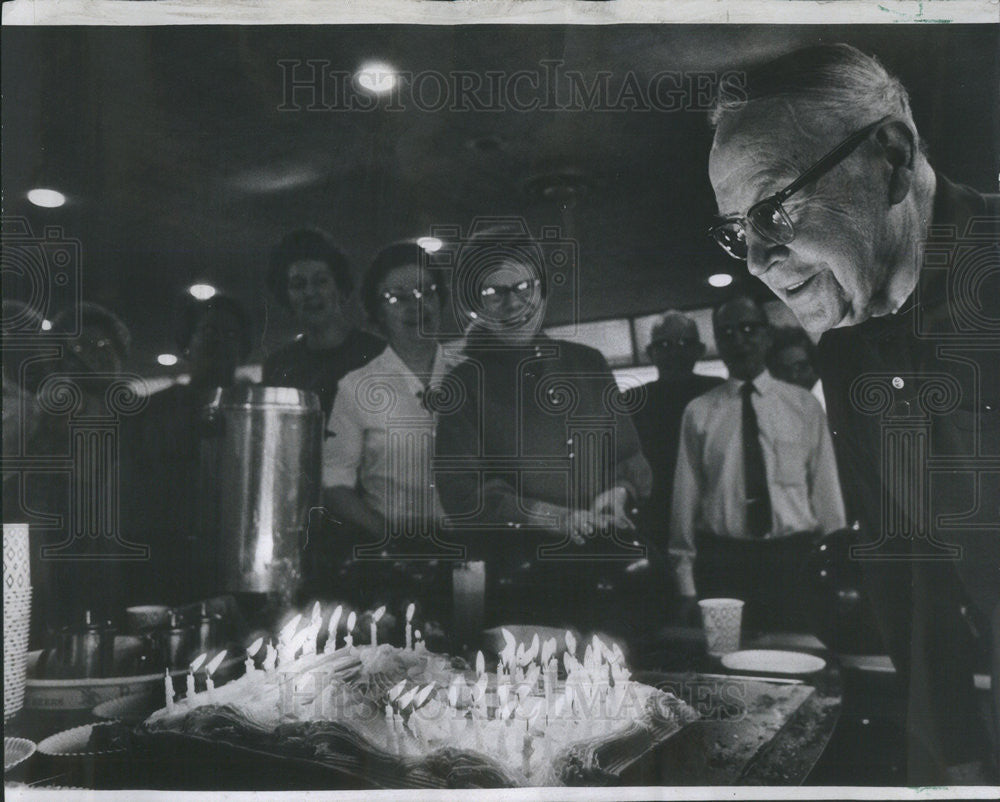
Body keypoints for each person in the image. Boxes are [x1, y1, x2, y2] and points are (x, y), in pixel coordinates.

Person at [706, 42, 999, 782]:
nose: (757, 260)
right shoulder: (846, 341)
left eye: (774, 207)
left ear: (891, 158)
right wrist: (952, 755)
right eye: (739, 229)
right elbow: (906, 570)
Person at [434, 229, 652, 636]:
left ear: (542, 291)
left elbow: (629, 458)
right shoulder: (462, 383)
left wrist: (620, 490)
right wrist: (553, 516)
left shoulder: (589, 363)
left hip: (604, 571)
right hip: (516, 581)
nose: (512, 302)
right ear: (473, 306)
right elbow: (461, 494)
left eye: (522, 286)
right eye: (492, 292)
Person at [668, 296, 845, 630]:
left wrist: (835, 567)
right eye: (728, 332)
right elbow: (684, 502)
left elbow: (827, 494)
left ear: (767, 336)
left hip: (793, 561)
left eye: (749, 329)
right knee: (727, 665)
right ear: (717, 343)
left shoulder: (804, 407)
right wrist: (685, 584)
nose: (739, 340)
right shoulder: (699, 412)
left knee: (798, 658)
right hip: (723, 564)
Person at [316, 242, 457, 609]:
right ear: (376, 313)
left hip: (470, 548)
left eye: (426, 291)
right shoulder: (357, 386)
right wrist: (389, 534)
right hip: (394, 559)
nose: (417, 306)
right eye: (397, 298)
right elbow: (334, 481)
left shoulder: (471, 375)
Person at [120, 294, 253, 605]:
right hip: (165, 562)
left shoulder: (254, 411)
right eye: (208, 331)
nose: (219, 341)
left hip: (236, 559)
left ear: (244, 349)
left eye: (230, 334)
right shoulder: (152, 410)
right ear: (187, 342)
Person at [262, 229, 384, 417]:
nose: (310, 293)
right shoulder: (278, 366)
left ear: (340, 287)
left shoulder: (377, 354)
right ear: (286, 296)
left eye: (320, 281)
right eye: (298, 285)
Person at [626, 311, 722, 541]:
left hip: (715, 518)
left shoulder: (721, 394)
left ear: (699, 350)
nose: (675, 352)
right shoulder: (630, 402)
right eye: (664, 344)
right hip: (656, 519)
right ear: (651, 353)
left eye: (684, 343)